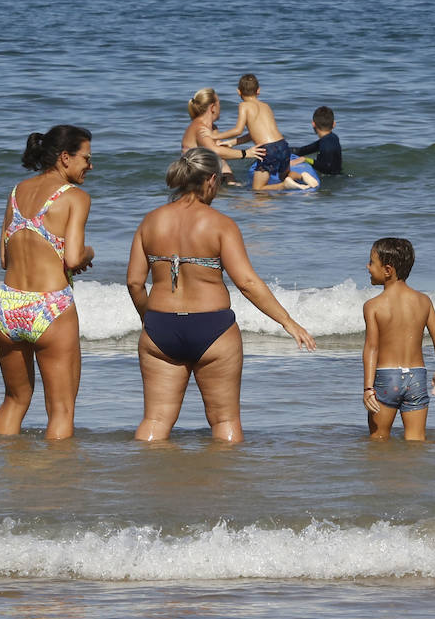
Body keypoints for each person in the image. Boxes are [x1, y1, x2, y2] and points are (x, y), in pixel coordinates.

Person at [126, 148, 316, 442]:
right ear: (212, 180)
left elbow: (135, 284)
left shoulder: (150, 221)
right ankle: (226, 486)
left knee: (155, 420)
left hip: (160, 328)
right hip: (212, 329)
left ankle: (146, 483)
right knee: (225, 421)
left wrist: (148, 321)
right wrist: (288, 321)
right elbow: (247, 283)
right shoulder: (221, 224)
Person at [0, 125, 94, 440]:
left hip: (9, 305)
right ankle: (57, 484)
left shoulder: (16, 191)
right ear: (65, 157)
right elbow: (75, 259)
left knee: (15, 400)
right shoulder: (75, 197)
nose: (90, 166)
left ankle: (5, 474)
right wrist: (90, 252)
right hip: (50, 306)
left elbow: (5, 259)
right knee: (61, 409)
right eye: (86, 159)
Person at [362, 237, 435, 441]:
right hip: (417, 377)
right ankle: (415, 473)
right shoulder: (423, 301)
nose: (368, 266)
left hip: (386, 378)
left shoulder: (373, 305)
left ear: (388, 270)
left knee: (378, 440)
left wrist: (368, 388)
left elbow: (371, 348)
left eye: (372, 262)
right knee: (416, 441)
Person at [216, 73, 315, 191]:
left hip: (268, 149)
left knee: (258, 188)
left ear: (239, 91)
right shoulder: (266, 106)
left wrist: (216, 135)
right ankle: (302, 176)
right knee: (284, 175)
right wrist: (232, 143)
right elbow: (255, 133)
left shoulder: (244, 106)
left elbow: (238, 130)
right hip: (282, 145)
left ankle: (284, 186)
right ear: (258, 90)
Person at [182, 87, 263, 182]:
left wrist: (244, 138)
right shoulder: (200, 128)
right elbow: (216, 151)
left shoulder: (213, 128)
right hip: (192, 177)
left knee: (223, 165)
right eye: (219, 104)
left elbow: (221, 153)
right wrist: (246, 153)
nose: (220, 107)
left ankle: (231, 186)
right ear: (212, 108)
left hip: (206, 173)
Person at [293, 106, 343, 176]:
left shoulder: (326, 142)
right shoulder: (331, 139)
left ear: (313, 124)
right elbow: (303, 150)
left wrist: (306, 160)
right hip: (337, 177)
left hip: (330, 180)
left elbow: (327, 167)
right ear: (334, 124)